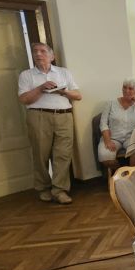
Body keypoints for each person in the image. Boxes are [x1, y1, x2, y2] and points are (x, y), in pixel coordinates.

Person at [18, 42, 82, 204]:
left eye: (43, 51)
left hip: (64, 116)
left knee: (63, 154)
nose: (38, 54)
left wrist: (64, 92)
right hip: (39, 116)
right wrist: (41, 88)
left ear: (52, 56)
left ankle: (59, 190)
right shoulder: (26, 75)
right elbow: (24, 99)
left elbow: (78, 95)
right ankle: (43, 188)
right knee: (40, 154)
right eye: (35, 51)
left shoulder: (63, 73)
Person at [98, 79, 135, 169]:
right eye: (124, 87)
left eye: (130, 88)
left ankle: (133, 178)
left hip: (131, 138)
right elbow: (103, 124)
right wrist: (107, 140)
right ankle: (122, 175)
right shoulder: (111, 103)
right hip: (112, 137)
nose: (126, 91)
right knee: (105, 158)